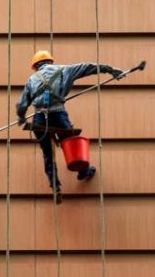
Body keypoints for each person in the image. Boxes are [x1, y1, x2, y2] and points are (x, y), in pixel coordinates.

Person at [15, 51, 123, 201]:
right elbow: (88, 67)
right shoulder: (64, 70)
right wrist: (111, 70)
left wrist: (21, 117)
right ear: (50, 62)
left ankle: (55, 186)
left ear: (35, 66)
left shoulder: (31, 79)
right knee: (72, 143)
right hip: (58, 114)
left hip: (40, 117)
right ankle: (83, 171)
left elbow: (22, 104)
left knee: (48, 153)